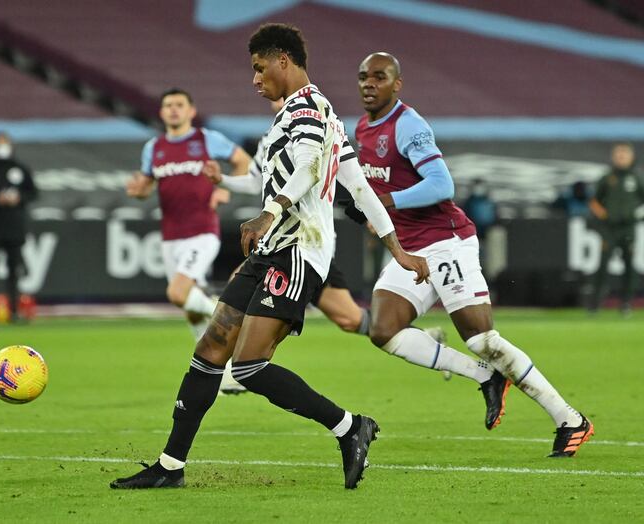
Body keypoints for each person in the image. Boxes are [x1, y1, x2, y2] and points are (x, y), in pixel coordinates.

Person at [111, 23, 429, 490]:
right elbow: (357, 186)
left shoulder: (309, 108)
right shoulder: (312, 116)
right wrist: (395, 246)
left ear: (284, 60)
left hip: (298, 250)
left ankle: (349, 427)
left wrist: (270, 212)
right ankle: (170, 467)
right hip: (273, 248)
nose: (255, 79)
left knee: (248, 365)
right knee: (209, 350)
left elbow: (309, 168)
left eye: (260, 68)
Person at [356, 52, 592, 457]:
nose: (368, 83)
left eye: (379, 77)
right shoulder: (361, 128)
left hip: (446, 241)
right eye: (363, 77)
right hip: (411, 247)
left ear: (397, 84)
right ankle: (486, 378)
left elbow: (441, 184)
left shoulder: (408, 125)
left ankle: (570, 419)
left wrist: (388, 202)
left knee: (482, 339)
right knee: (383, 329)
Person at [203, 98, 446, 342]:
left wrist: (368, 219)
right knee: (350, 319)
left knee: (238, 300)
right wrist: (222, 180)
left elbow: (342, 183)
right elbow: (255, 180)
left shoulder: (316, 127)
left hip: (307, 243)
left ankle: (235, 370)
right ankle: (424, 338)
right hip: (280, 242)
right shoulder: (271, 135)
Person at [126, 87, 251, 393]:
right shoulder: (153, 148)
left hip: (202, 231)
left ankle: (229, 317)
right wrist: (138, 189)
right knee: (190, 309)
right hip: (171, 237)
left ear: (191, 111)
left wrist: (225, 189)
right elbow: (144, 187)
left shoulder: (205, 139)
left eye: (179, 105)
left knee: (178, 292)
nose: (173, 110)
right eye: (168, 105)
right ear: (161, 112)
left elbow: (243, 161)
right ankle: (224, 376)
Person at [0, 132, 38, 322]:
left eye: (4, 143)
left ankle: (14, 311)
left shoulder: (20, 169)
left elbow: (33, 193)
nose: (1, 147)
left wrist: (19, 198)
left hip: (14, 226)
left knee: (14, 270)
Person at [588, 142, 644, 316]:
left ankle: (626, 304)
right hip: (609, 229)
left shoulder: (636, 178)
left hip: (628, 228)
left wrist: (637, 214)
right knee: (602, 265)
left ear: (631, 157)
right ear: (614, 157)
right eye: (618, 154)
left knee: (629, 266)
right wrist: (604, 215)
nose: (621, 158)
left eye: (624, 154)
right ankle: (595, 305)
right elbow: (594, 201)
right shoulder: (607, 178)